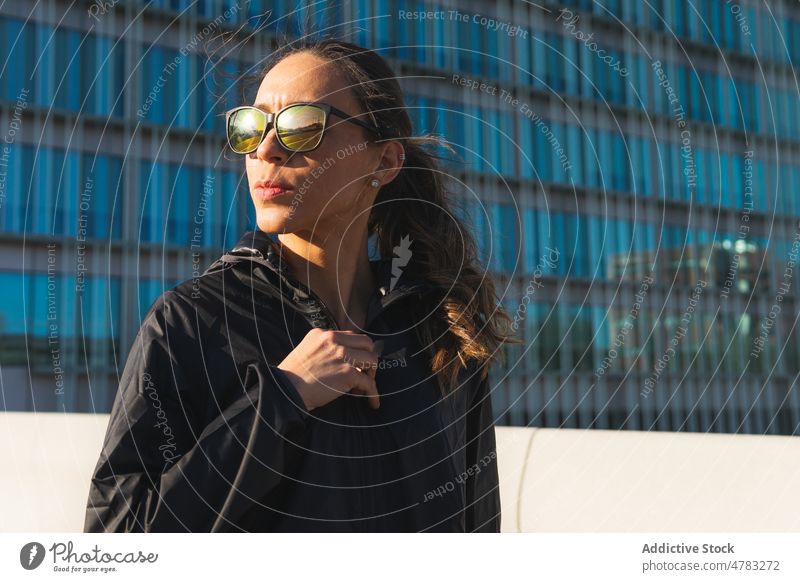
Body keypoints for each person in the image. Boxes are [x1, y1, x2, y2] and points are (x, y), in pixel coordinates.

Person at [83, 38, 516, 533]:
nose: (266, 150)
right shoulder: (191, 324)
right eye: (251, 127)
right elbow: (118, 538)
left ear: (385, 162)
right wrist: (284, 397)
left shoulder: (440, 328)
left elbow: (479, 530)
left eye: (302, 126)